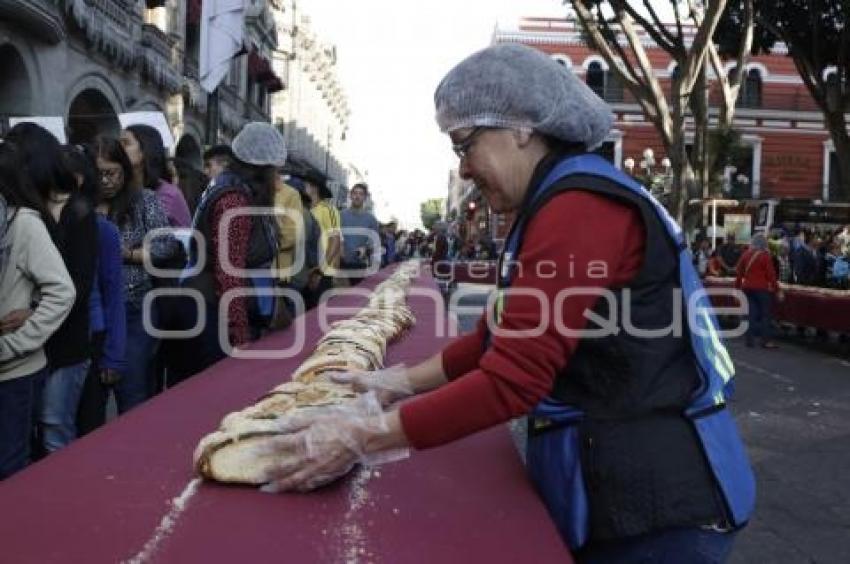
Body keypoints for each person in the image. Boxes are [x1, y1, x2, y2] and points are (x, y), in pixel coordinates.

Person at [256, 44, 755, 562]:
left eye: (464, 145)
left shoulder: (580, 208)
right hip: (629, 488)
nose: (465, 170)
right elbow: (498, 337)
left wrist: (365, 435)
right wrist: (391, 383)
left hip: (657, 507)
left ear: (521, 128)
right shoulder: (556, 199)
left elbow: (513, 379)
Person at [6, 123, 98, 454]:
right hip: (31, 345)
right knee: (28, 435)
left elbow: (79, 284)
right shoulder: (26, 208)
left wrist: (31, 312)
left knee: (55, 428)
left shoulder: (78, 210)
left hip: (65, 342)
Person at [175, 123, 281, 381]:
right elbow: (229, 272)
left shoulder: (235, 190)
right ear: (262, 168)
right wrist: (240, 334)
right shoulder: (234, 200)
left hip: (213, 305)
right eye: (275, 170)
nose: (278, 177)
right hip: (211, 311)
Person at [0, 143, 75, 478]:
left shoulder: (24, 224)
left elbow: (63, 291)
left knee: (8, 470)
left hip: (14, 373)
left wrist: (16, 343)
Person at [92, 136, 180, 413]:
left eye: (112, 173)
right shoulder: (85, 205)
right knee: (92, 398)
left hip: (135, 308)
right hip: (95, 312)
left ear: (124, 171)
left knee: (132, 391)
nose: (106, 181)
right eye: (99, 174)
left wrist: (128, 254)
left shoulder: (144, 200)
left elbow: (167, 245)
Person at [60, 145, 126, 436]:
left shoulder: (104, 231)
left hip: (93, 336)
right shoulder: (46, 223)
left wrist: (113, 355)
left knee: (87, 424)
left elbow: (114, 295)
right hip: (56, 334)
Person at [121, 125, 191, 229]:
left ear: (145, 150)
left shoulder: (167, 195)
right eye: (119, 143)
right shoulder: (122, 190)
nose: (119, 148)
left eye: (126, 143)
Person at [302, 171, 341, 308]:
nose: (302, 187)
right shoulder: (305, 209)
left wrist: (320, 271)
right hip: (305, 271)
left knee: (316, 316)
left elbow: (335, 241)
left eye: (305, 184)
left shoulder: (328, 210)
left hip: (321, 273)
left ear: (314, 187)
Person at [735, 234, 782, 349]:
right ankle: (765, 341)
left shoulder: (745, 255)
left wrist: (736, 290)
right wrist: (777, 290)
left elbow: (739, 274)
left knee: (751, 314)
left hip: (747, 288)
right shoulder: (765, 256)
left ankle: (750, 340)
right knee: (765, 315)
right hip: (761, 289)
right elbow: (771, 275)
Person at [340, 183, 379, 285]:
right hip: (340, 264)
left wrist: (366, 249)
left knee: (355, 297)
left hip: (359, 265)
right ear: (350, 195)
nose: (357, 196)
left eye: (361, 194)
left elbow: (375, 244)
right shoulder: (340, 215)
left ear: (365, 198)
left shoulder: (371, 220)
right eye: (355, 193)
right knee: (339, 298)